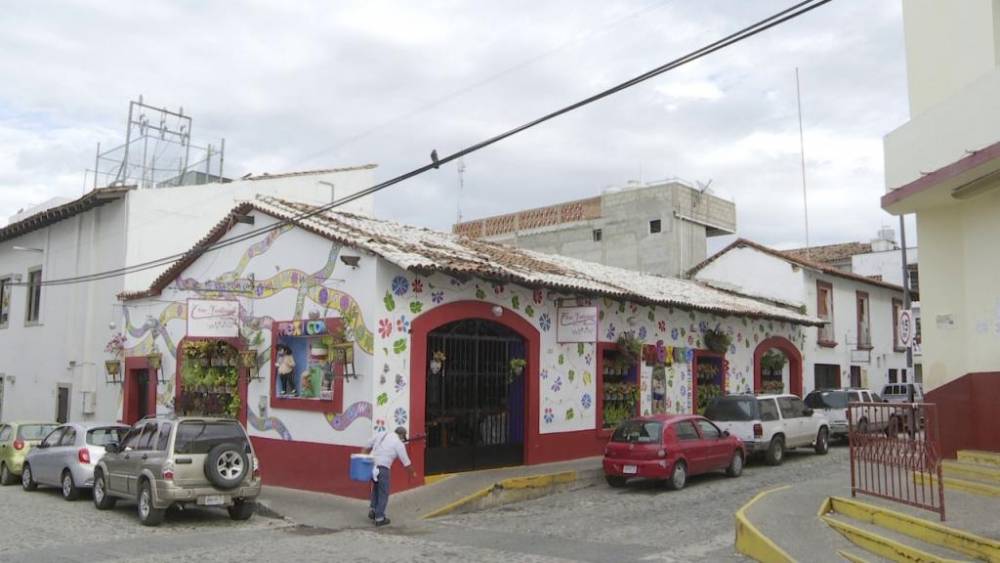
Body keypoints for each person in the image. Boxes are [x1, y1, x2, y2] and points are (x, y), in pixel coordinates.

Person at [364, 426, 416, 527]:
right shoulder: (398, 444)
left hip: (372, 466)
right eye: (403, 437)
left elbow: (368, 443)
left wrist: (363, 455)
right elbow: (406, 462)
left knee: (375, 489)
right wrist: (413, 473)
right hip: (383, 468)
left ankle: (373, 510)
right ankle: (379, 518)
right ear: (401, 435)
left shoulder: (382, 434)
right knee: (384, 492)